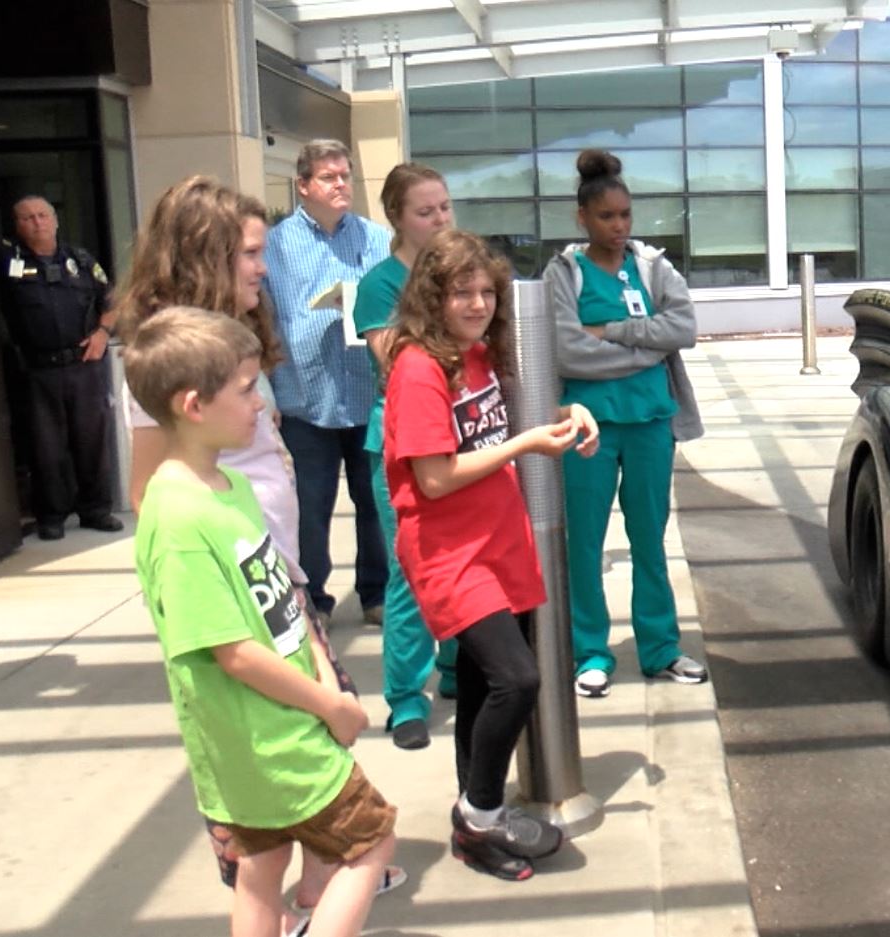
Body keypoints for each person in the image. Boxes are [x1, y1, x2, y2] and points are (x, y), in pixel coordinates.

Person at [114, 175, 406, 928]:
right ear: (206, 254)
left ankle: (311, 894)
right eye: (250, 251)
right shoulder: (177, 363)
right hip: (248, 608)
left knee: (267, 851)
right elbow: (154, 502)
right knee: (309, 817)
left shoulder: (229, 351)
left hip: (276, 587)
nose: (263, 266)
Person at [383, 229, 599, 879]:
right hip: (451, 551)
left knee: (482, 684)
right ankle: (479, 816)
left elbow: (500, 426)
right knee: (518, 678)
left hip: (497, 538)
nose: (477, 302)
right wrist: (528, 444)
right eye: (462, 291)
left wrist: (568, 413)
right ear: (433, 296)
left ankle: (474, 811)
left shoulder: (477, 355)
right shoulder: (419, 367)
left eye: (486, 291)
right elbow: (436, 477)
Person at [544, 148, 707, 700]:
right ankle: (590, 651)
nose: (618, 226)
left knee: (650, 541)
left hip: (650, 422)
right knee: (584, 544)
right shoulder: (563, 272)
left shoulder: (653, 266)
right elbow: (567, 352)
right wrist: (646, 343)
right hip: (587, 427)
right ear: (582, 218)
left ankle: (660, 648)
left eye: (625, 216)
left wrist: (611, 332)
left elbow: (681, 328)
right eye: (606, 217)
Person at [350, 162, 459, 750]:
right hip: (401, 442)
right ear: (397, 218)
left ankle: (461, 669)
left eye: (445, 207)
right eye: (426, 211)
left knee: (466, 558)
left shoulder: (460, 275)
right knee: (411, 568)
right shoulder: (381, 284)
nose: (440, 219)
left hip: (464, 436)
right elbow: (395, 357)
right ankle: (404, 697)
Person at [265, 139, 391, 621]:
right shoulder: (277, 244)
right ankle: (312, 596)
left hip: (365, 391)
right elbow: (266, 319)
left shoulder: (375, 239)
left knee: (375, 505)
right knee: (308, 508)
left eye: (346, 176)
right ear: (303, 186)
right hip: (303, 395)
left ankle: (375, 594)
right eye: (329, 177)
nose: (341, 185)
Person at [0, 194, 122, 540]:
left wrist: (102, 333)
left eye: (42, 215)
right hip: (38, 371)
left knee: (91, 442)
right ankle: (51, 516)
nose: (37, 222)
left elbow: (111, 300)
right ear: (16, 226)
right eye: (27, 218)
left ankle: (96, 510)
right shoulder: (7, 261)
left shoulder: (80, 260)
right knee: (45, 447)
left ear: (55, 220)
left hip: (84, 366)